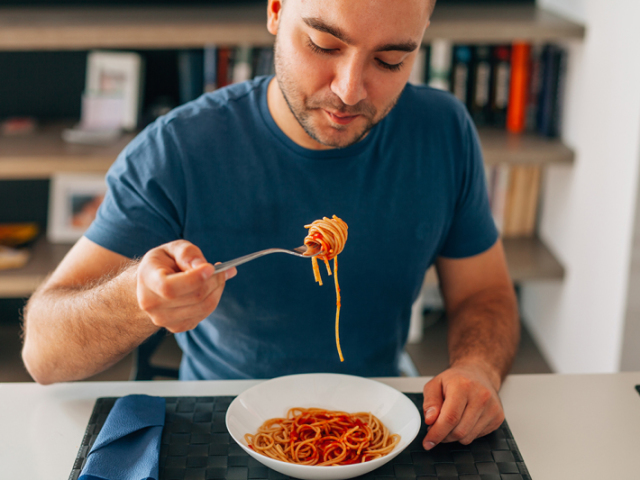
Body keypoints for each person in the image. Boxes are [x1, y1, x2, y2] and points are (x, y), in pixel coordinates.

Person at [22, 0, 519, 451]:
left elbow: (485, 294)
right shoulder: (178, 151)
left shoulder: (443, 132)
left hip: (379, 421)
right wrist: (137, 298)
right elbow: (43, 355)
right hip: (221, 427)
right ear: (276, 11)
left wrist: (477, 367)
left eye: (390, 60)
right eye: (324, 44)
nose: (349, 90)